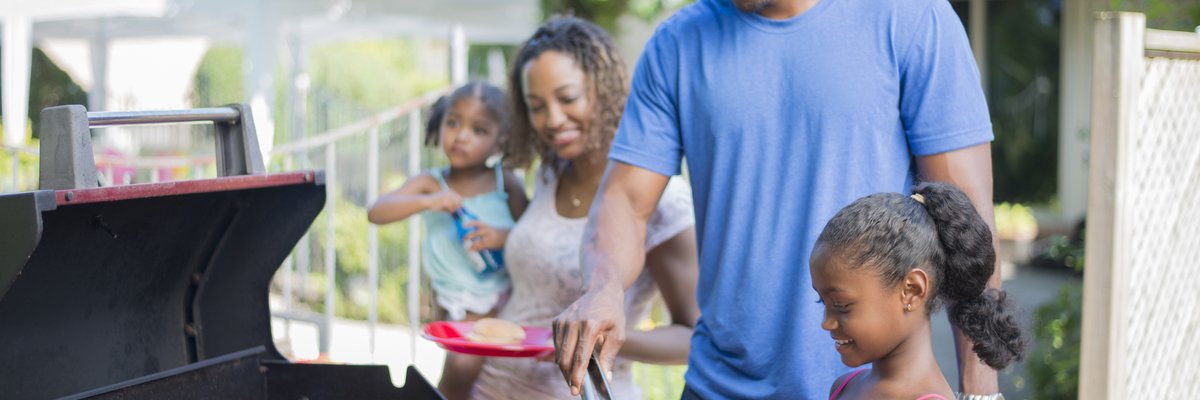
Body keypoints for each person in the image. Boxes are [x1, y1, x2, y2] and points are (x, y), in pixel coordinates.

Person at [552, 0, 1007, 398]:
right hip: (719, 387)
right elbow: (626, 200)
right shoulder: (677, 42)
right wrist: (603, 288)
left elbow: (966, 221)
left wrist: (980, 393)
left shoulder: (913, 17)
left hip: (877, 388)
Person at [469, 17, 701, 399]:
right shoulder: (549, 173)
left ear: (604, 91)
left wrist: (588, 337)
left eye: (568, 98)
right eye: (536, 106)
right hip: (492, 388)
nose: (553, 120)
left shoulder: (663, 198)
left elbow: (692, 338)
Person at [367, 81, 528, 400]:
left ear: (501, 140)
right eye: (453, 123)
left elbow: (532, 234)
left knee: (465, 370)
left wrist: (502, 236)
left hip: (503, 299)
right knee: (461, 369)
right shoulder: (431, 183)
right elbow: (377, 211)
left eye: (478, 129)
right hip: (454, 303)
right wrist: (429, 201)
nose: (461, 135)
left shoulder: (504, 182)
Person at [812, 182, 1026, 399]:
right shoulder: (845, 386)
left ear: (912, 291)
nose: (826, 322)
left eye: (841, 305)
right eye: (823, 302)